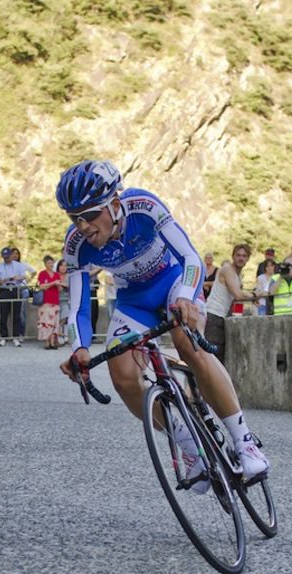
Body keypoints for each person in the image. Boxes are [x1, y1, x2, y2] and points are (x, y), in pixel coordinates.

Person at [56, 159, 269, 492]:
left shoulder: (143, 206)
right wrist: (79, 348)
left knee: (188, 341)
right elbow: (79, 304)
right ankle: (188, 446)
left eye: (89, 215)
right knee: (122, 375)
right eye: (74, 218)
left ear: (114, 204)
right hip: (134, 301)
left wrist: (186, 296)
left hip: (174, 282)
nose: (82, 226)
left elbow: (191, 258)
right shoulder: (76, 246)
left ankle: (245, 442)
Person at [205, 244, 259, 364]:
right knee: (214, 360)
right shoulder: (227, 270)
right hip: (213, 316)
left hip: (220, 318)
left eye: (244, 256)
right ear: (233, 256)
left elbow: (236, 301)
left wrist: (237, 316)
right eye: (238, 255)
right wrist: (255, 295)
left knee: (219, 360)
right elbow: (238, 295)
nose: (241, 258)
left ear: (248, 259)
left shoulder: (238, 276)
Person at [0, 247, 25, 347]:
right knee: (3, 314)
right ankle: (4, 337)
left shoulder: (19, 266)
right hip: (4, 290)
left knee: (16, 314)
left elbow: (23, 276)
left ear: (11, 255)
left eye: (8, 257)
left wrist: (16, 278)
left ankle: (15, 336)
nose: (6, 259)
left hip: (15, 289)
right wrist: (0, 281)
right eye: (4, 257)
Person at [11, 247, 36, 341]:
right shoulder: (8, 266)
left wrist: (28, 280)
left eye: (16, 253)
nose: (15, 255)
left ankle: (21, 333)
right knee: (13, 312)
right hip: (12, 289)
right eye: (13, 253)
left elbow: (33, 271)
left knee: (22, 312)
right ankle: (13, 334)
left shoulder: (23, 264)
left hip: (23, 289)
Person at [37, 255, 61, 350]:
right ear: (45, 264)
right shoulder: (42, 274)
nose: (50, 265)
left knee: (54, 322)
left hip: (55, 300)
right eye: (49, 263)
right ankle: (46, 341)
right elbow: (42, 286)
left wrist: (59, 285)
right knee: (46, 322)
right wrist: (53, 283)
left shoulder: (56, 274)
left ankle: (52, 341)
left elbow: (59, 289)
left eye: (52, 263)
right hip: (46, 301)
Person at [56, 259, 70, 345]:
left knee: (65, 315)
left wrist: (61, 284)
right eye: (61, 265)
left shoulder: (69, 276)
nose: (63, 267)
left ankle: (62, 333)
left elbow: (70, 285)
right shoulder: (55, 275)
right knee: (57, 317)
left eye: (65, 265)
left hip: (66, 299)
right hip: (56, 299)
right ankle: (59, 334)